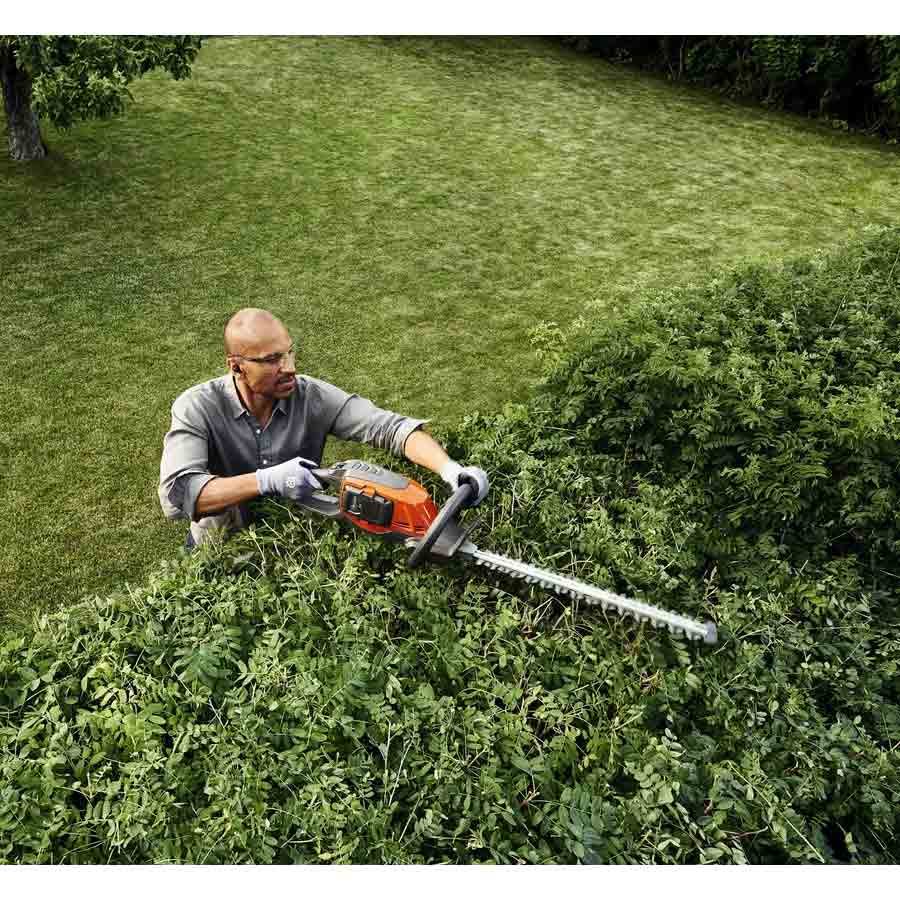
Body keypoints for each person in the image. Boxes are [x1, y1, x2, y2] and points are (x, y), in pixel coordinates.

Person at [158, 308, 489, 549]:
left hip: (294, 543)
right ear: (237, 367)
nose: (290, 368)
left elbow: (389, 428)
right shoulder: (197, 407)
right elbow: (179, 493)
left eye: (289, 353)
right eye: (272, 360)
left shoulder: (310, 395)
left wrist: (449, 469)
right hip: (220, 547)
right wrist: (266, 480)